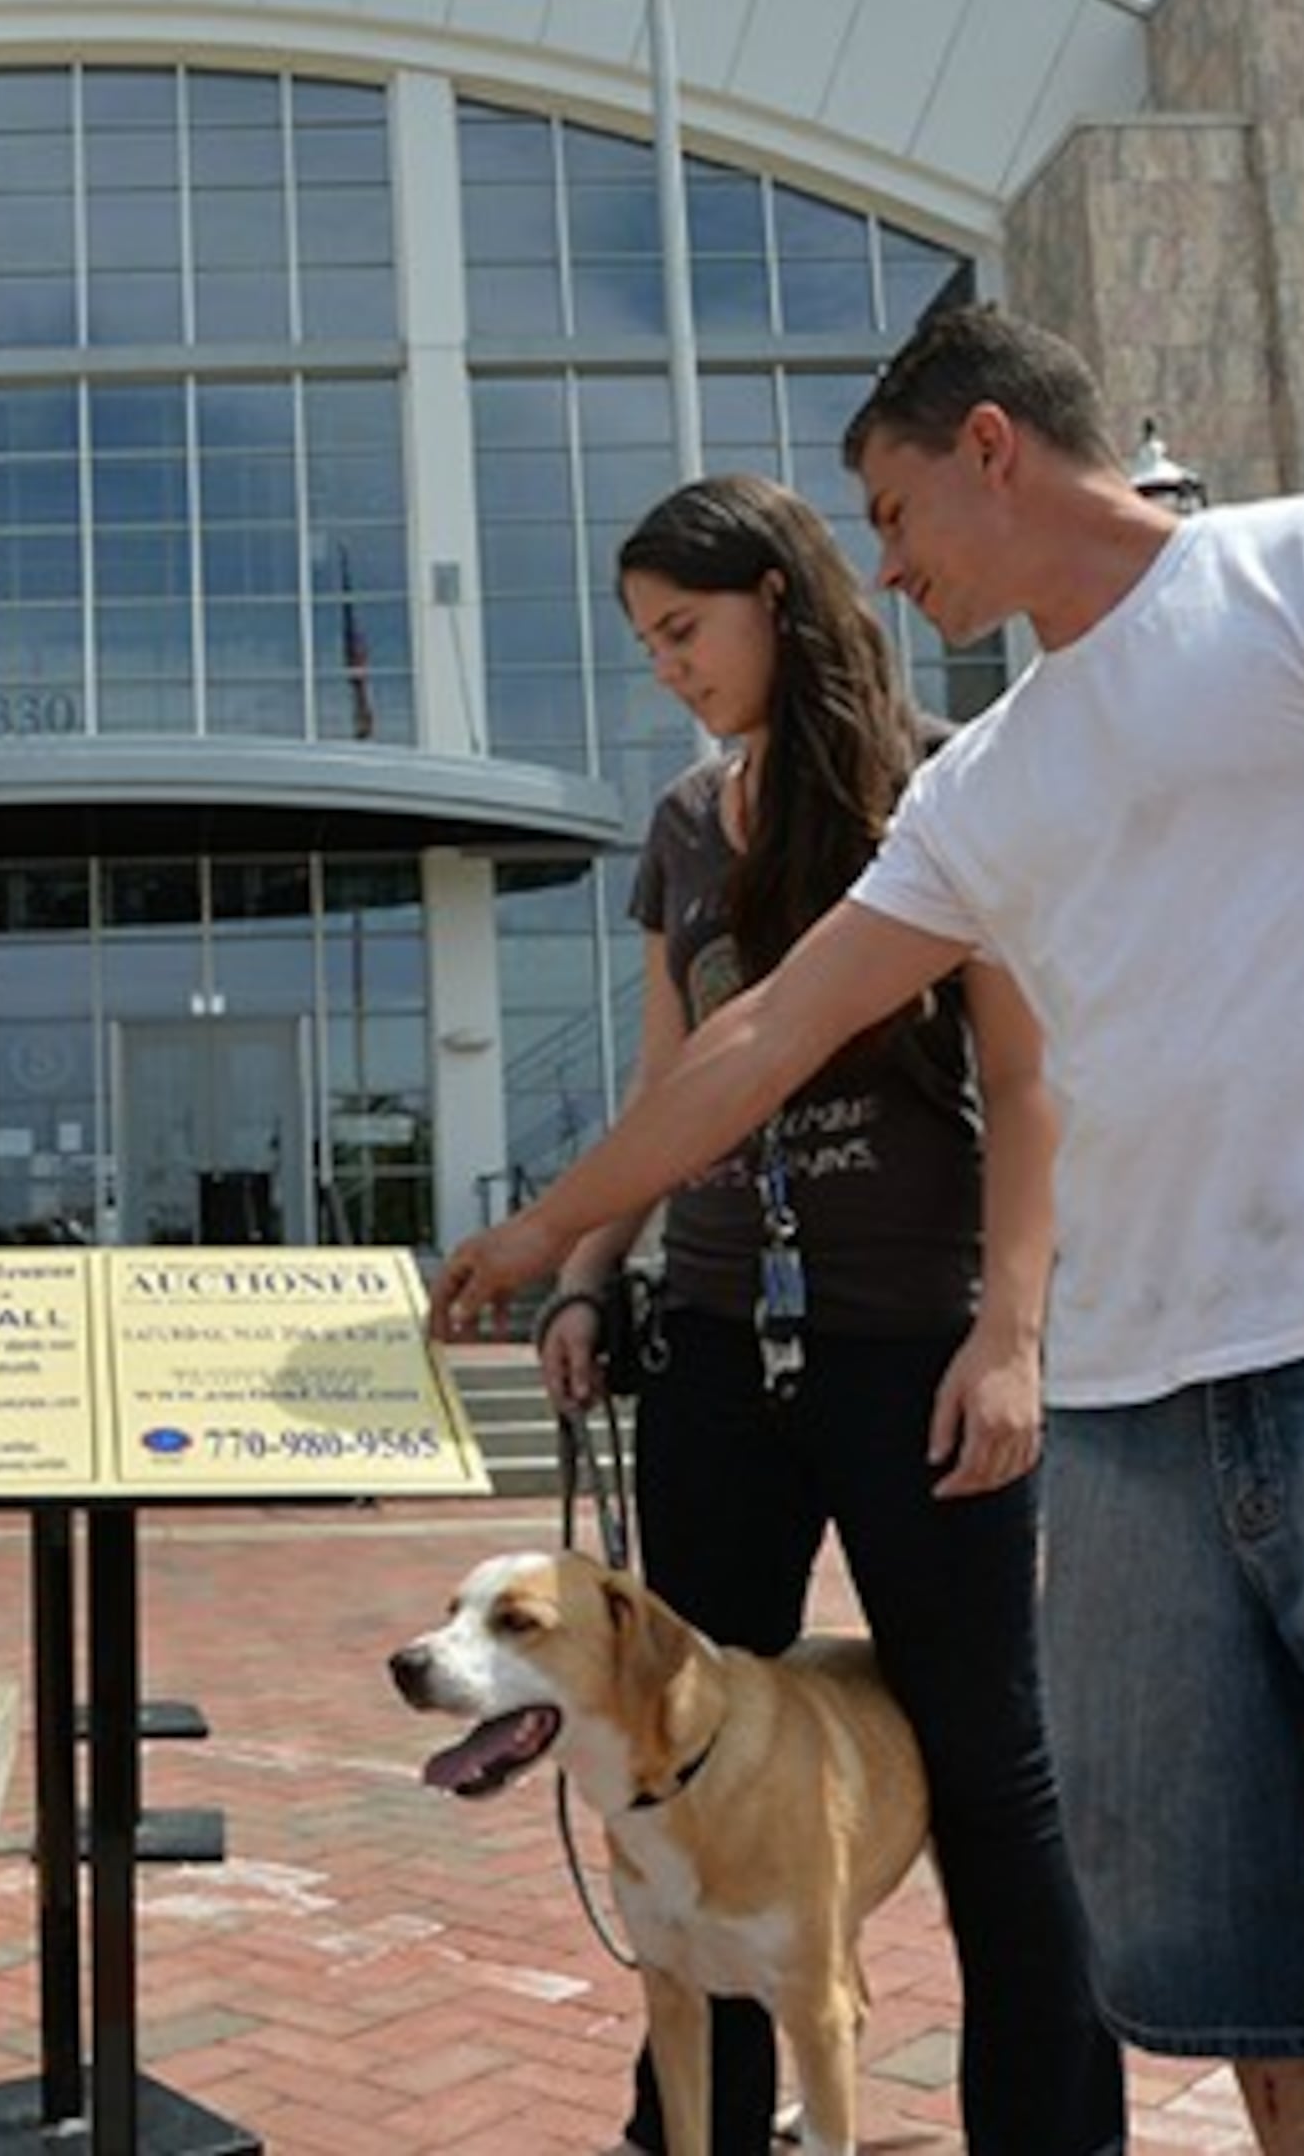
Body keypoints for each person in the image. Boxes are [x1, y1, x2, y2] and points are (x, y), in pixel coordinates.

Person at [435, 305, 1304, 2156]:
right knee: (1266, 1979)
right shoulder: (983, 779)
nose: (883, 568)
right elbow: (763, 1032)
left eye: (895, 511)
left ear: (992, 445)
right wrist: (546, 1230)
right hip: (1138, 1434)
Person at [543, 473, 1122, 2154]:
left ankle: (1054, 2136)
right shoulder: (681, 827)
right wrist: (592, 1273)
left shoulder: (950, 783)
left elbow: (1026, 1081)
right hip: (719, 1347)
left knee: (989, 1764)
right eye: (645, 639)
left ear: (778, 604)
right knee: (682, 1751)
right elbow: (676, 1080)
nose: (666, 665)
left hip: (912, 1350)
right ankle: (693, 2136)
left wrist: (1010, 1334)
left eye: (685, 628)